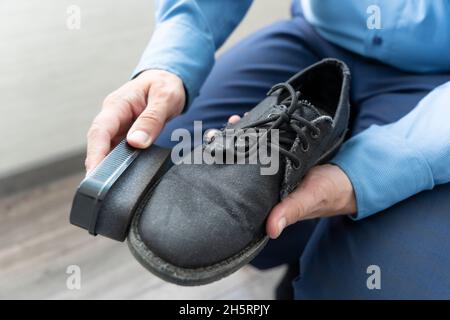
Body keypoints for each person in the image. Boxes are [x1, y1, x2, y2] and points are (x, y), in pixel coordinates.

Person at [84, 1, 450, 299]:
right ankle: (301, 248)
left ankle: (325, 259)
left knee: (378, 286)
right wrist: (169, 63)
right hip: (320, 36)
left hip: (439, 87)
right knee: (172, 147)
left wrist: (378, 169)